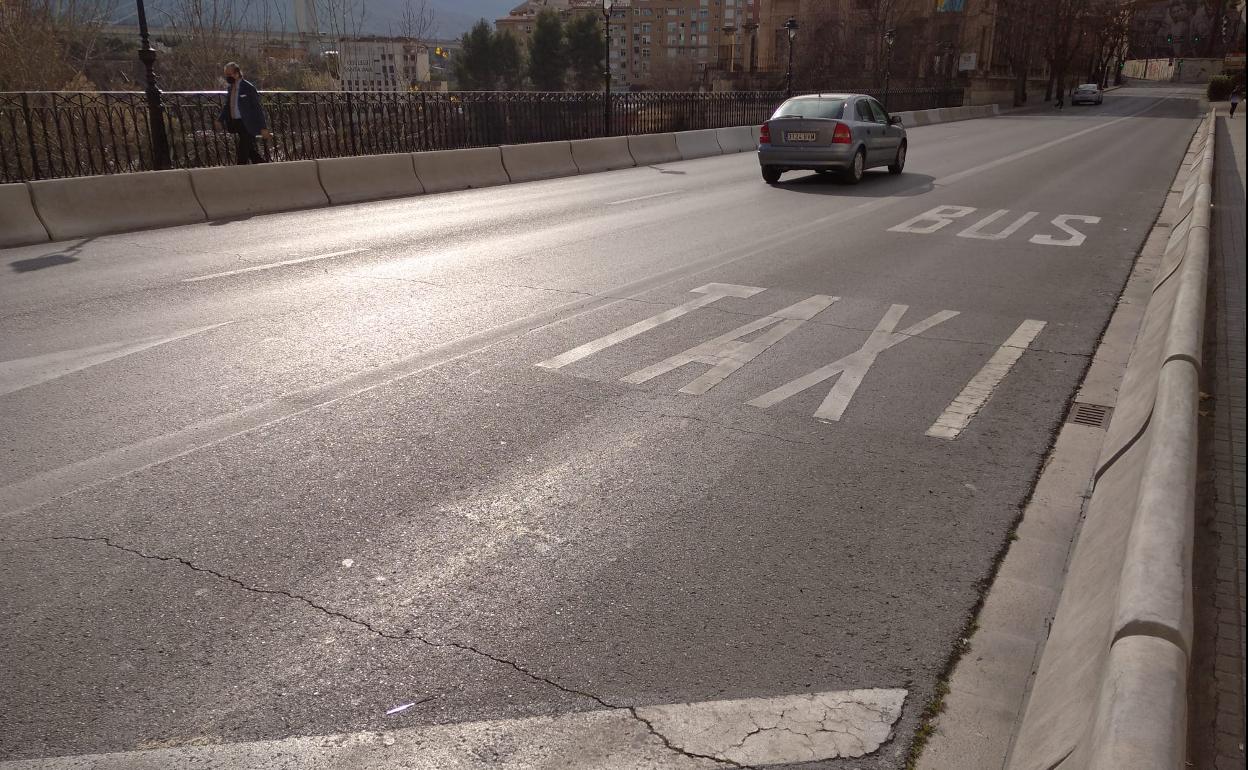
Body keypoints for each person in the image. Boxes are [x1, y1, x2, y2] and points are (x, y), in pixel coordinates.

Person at [214, 62, 271, 165]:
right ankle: (265, 167)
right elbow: (228, 106)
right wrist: (220, 119)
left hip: (248, 124)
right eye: (226, 74)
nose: (227, 77)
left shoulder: (248, 87)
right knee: (249, 151)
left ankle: (239, 173)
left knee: (242, 152)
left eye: (229, 74)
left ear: (236, 73)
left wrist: (263, 127)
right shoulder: (230, 88)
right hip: (236, 123)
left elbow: (257, 108)